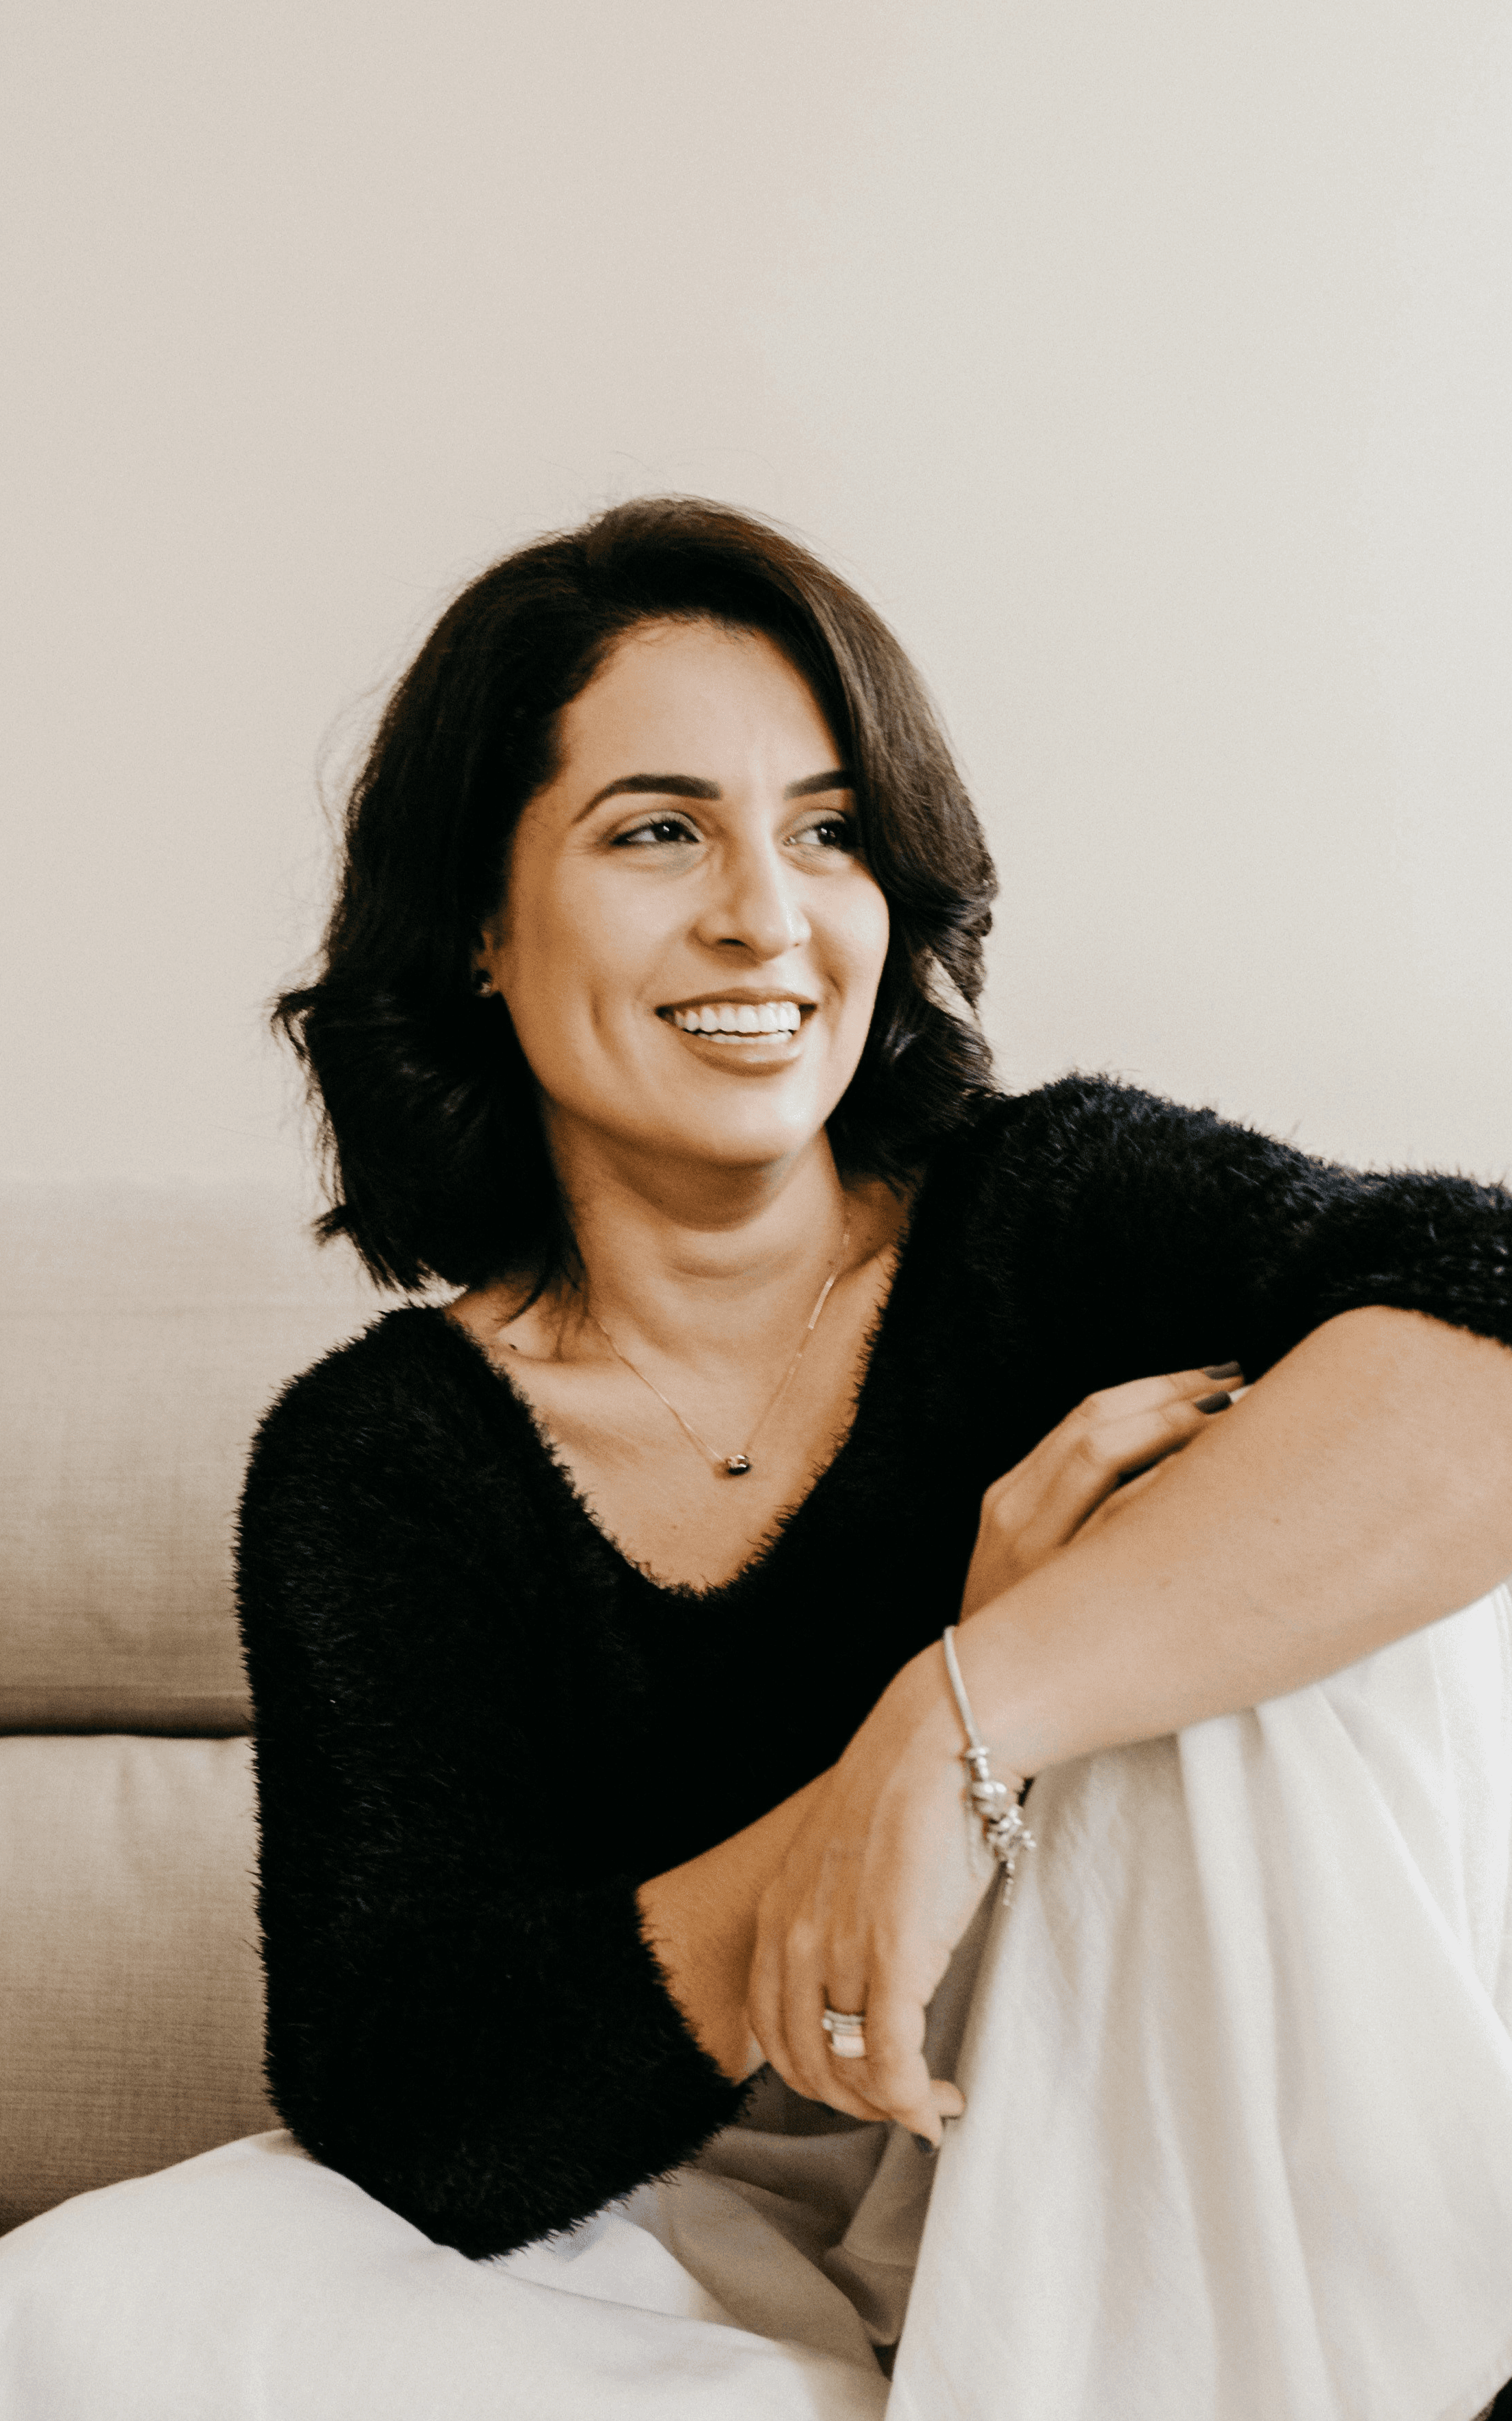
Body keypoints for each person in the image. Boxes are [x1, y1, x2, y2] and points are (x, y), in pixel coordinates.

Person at [3, 497, 1511, 2421]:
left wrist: (984, 1703)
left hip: (1183, 2111)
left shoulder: (1056, 1209)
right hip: (735, 2225)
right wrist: (881, 1806)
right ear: (476, 922)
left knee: (1237, 1569)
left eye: (825, 831)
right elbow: (429, 2100)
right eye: (657, 831)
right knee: (88, 2312)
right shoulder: (381, 1462)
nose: (764, 915)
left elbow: (1484, 1318)